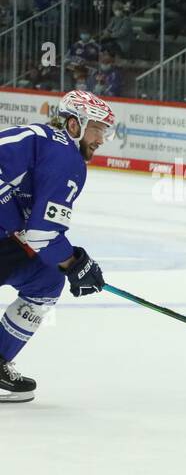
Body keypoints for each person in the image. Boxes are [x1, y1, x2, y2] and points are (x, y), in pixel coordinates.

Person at [0, 90, 115, 402]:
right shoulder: (65, 156)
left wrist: (68, 261)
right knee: (50, 274)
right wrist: (74, 264)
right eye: (98, 129)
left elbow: (29, 226)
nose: (101, 139)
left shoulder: (46, 142)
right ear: (75, 125)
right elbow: (42, 234)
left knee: (45, 279)